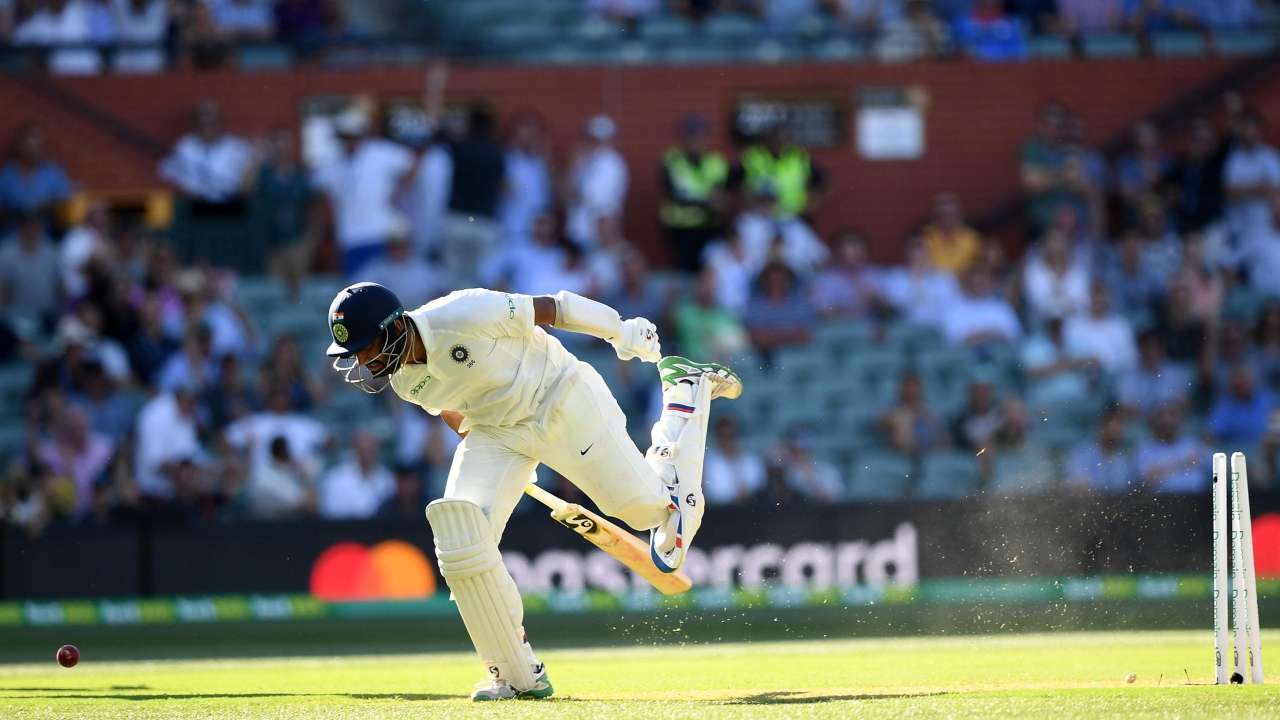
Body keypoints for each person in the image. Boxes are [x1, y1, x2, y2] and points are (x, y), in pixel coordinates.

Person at [323, 281, 741, 700]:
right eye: (354, 353)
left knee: (647, 513)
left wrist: (621, 331)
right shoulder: (403, 382)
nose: (362, 359)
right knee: (460, 537)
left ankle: (685, 392)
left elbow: (552, 308)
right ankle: (514, 672)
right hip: (497, 433)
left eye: (366, 346)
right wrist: (507, 468)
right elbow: (454, 409)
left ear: (394, 327)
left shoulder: (460, 313)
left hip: (560, 397)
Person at [660, 113, 727, 273]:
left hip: (710, 227)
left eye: (699, 136)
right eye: (691, 136)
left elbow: (719, 196)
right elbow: (675, 195)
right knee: (684, 272)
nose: (695, 141)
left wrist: (697, 199)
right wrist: (705, 201)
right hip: (680, 228)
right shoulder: (672, 160)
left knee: (709, 269)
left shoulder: (716, 162)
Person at [1065, 405, 1136, 494]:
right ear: (1101, 429)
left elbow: (1127, 488)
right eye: (1112, 429)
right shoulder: (1081, 454)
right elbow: (1077, 485)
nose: (1116, 433)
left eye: (1119, 430)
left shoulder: (1125, 458)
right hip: (1090, 503)